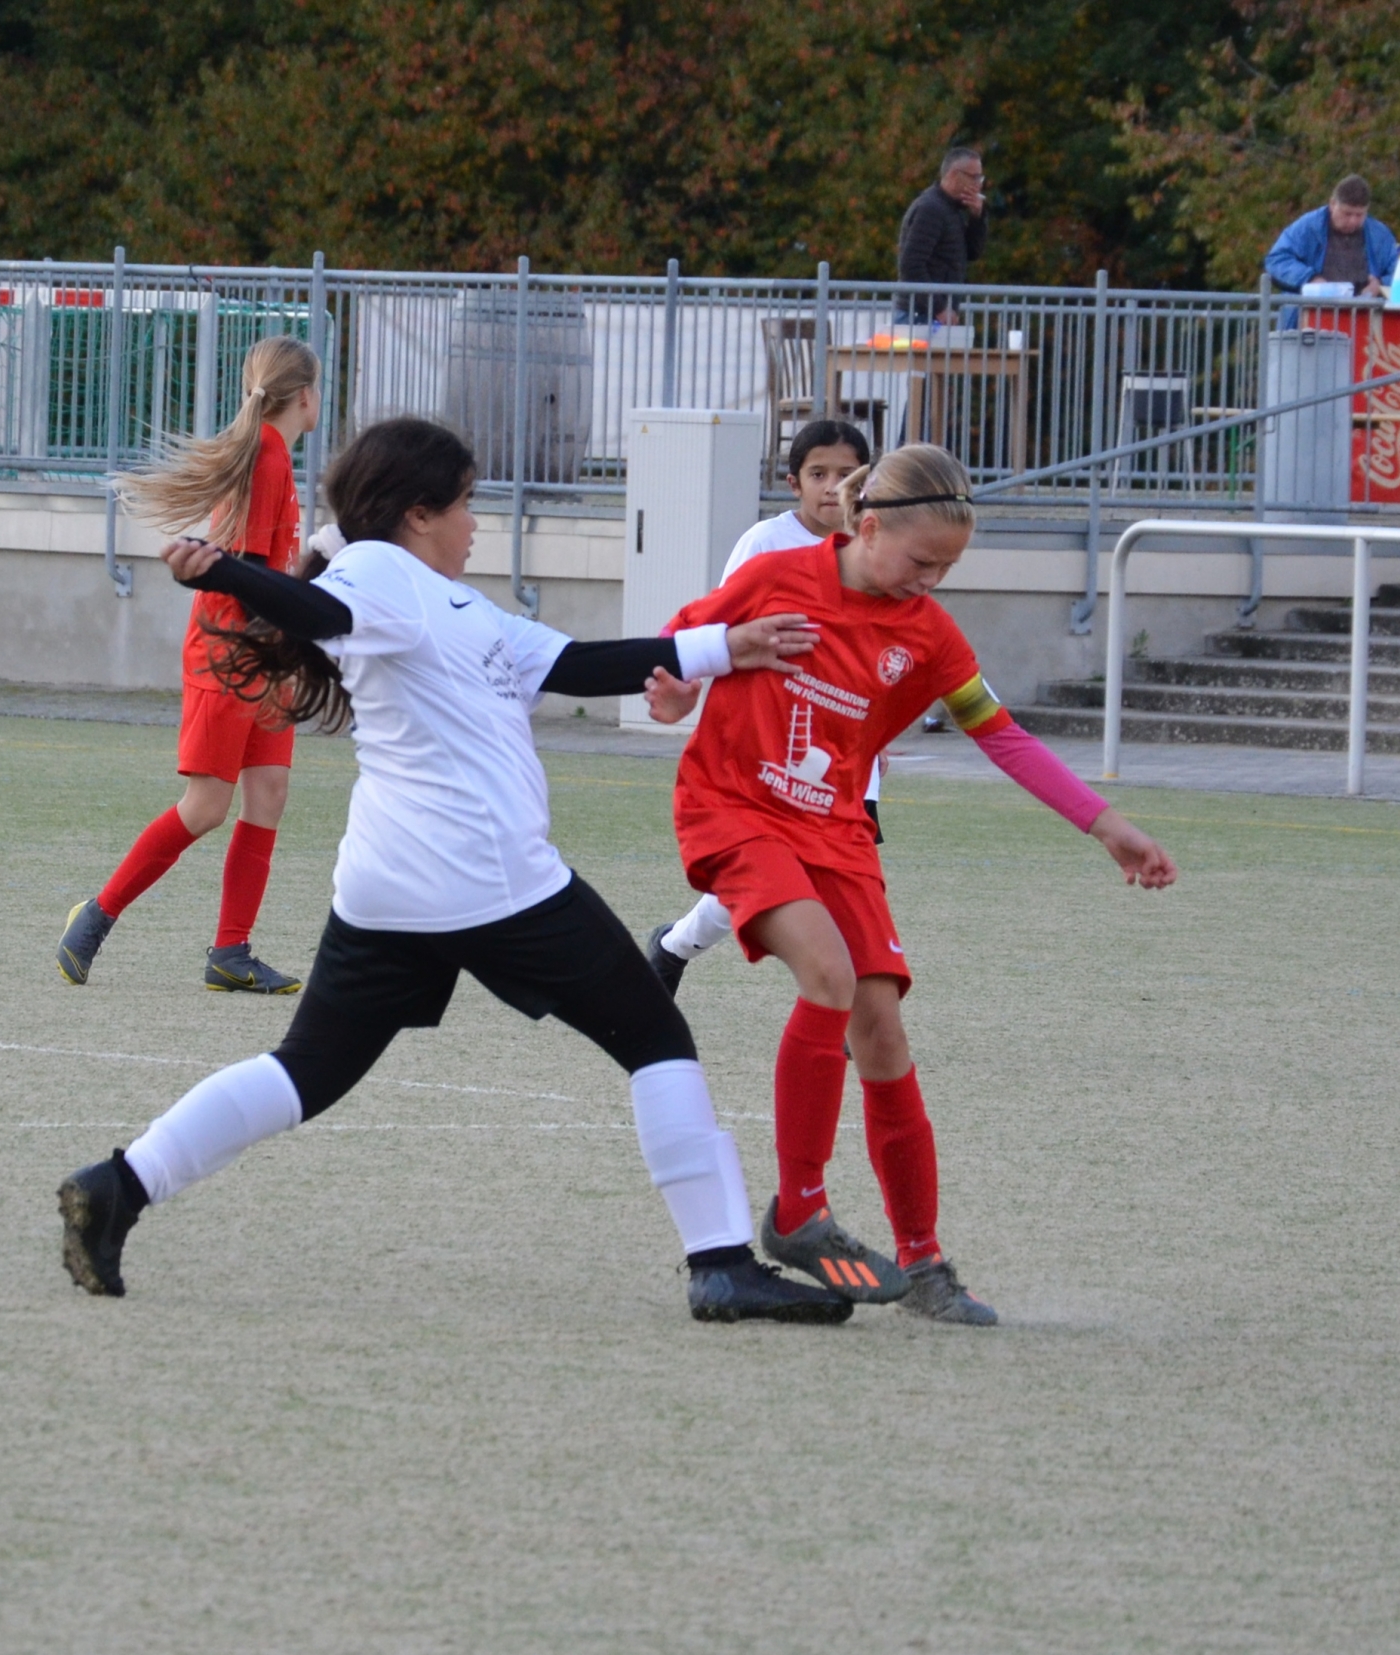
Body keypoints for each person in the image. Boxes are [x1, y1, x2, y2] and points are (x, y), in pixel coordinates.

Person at [55, 417, 852, 1326]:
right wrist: (227, 572)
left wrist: (726, 647)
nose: (478, 520)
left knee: (303, 1072)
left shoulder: (457, 604)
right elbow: (324, 612)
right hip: (493, 879)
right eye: (468, 501)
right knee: (657, 1040)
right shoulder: (382, 574)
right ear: (417, 511)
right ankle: (718, 1263)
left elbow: (581, 664)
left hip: (389, 887)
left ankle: (117, 1185)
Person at [646, 444, 1178, 1325]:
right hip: (736, 808)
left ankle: (925, 1262)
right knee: (828, 971)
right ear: (869, 525)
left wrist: (1108, 827)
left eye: (948, 568)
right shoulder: (775, 577)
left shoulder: (928, 634)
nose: (931, 581)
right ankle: (800, 1209)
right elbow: (681, 650)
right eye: (921, 561)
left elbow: (1001, 735)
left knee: (882, 1030)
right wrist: (673, 693)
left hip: (838, 830)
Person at [55, 335, 320, 994]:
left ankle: (231, 952)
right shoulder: (264, 455)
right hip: (233, 652)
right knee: (206, 806)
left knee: (269, 794)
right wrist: (287, 645)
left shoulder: (273, 454)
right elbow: (251, 575)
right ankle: (96, 915)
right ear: (307, 396)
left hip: (265, 650)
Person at [644, 418, 875, 993]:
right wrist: (685, 686)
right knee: (766, 877)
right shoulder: (766, 544)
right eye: (818, 473)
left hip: (846, 751)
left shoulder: (878, 548)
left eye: (846, 475)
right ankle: (675, 947)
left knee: (848, 876)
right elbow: (721, 625)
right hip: (772, 742)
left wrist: (880, 732)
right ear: (793, 482)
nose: (831, 487)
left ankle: (850, 999)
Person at [1265, 173, 1399, 300]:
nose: (1353, 221)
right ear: (1332, 204)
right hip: (1309, 316)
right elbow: (1277, 260)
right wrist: (1310, 278)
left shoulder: (1380, 235)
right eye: (1347, 213)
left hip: (1364, 317)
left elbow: (1399, 272)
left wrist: (1380, 285)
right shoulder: (1309, 227)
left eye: (1359, 215)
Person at [897, 147, 987, 326]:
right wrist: (938, 308)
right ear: (954, 175)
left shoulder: (951, 210)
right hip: (920, 316)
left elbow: (973, 252)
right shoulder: (931, 209)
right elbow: (910, 265)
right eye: (974, 177)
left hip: (929, 315)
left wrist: (977, 217)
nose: (979, 184)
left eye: (980, 178)